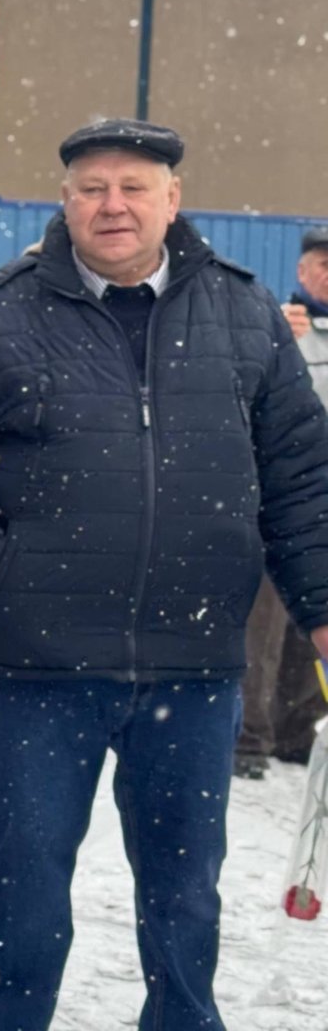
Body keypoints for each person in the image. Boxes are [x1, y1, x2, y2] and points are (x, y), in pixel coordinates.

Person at [0, 118, 328, 1030]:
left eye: (134, 187)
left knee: (185, 892)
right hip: (43, 667)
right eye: (92, 188)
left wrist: (322, 608)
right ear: (65, 202)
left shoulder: (244, 314)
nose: (113, 205)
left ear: (173, 200)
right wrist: (1, 574)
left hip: (196, 663)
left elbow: (299, 476)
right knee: (24, 880)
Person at [235, 223, 328, 778]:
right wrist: (277, 338)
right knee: (264, 621)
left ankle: (296, 731)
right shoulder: (274, 324)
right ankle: (248, 738)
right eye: (323, 265)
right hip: (283, 495)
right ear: (301, 271)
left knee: (313, 620)